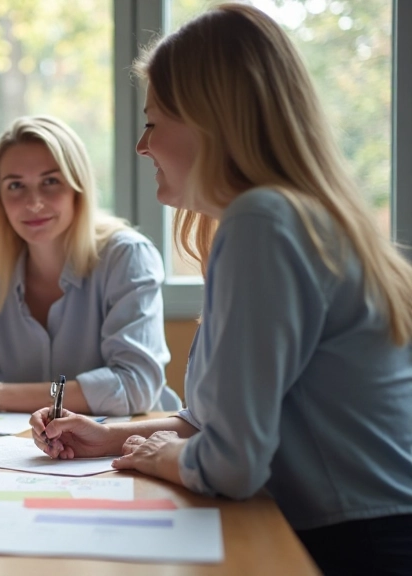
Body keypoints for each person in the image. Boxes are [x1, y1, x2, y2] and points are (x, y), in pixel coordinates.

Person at [30, 4, 412, 574]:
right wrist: (109, 437)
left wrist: (163, 460)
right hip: (345, 527)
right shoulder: (277, 219)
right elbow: (209, 424)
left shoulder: (263, 223)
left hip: (357, 545)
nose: (141, 146)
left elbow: (232, 463)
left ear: (211, 123)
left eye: (153, 122)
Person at [0, 115, 171, 416]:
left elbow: (135, 387)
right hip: (22, 453)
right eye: (15, 185)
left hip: (126, 447)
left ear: (78, 187)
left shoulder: (126, 257)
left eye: (50, 181)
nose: (33, 202)